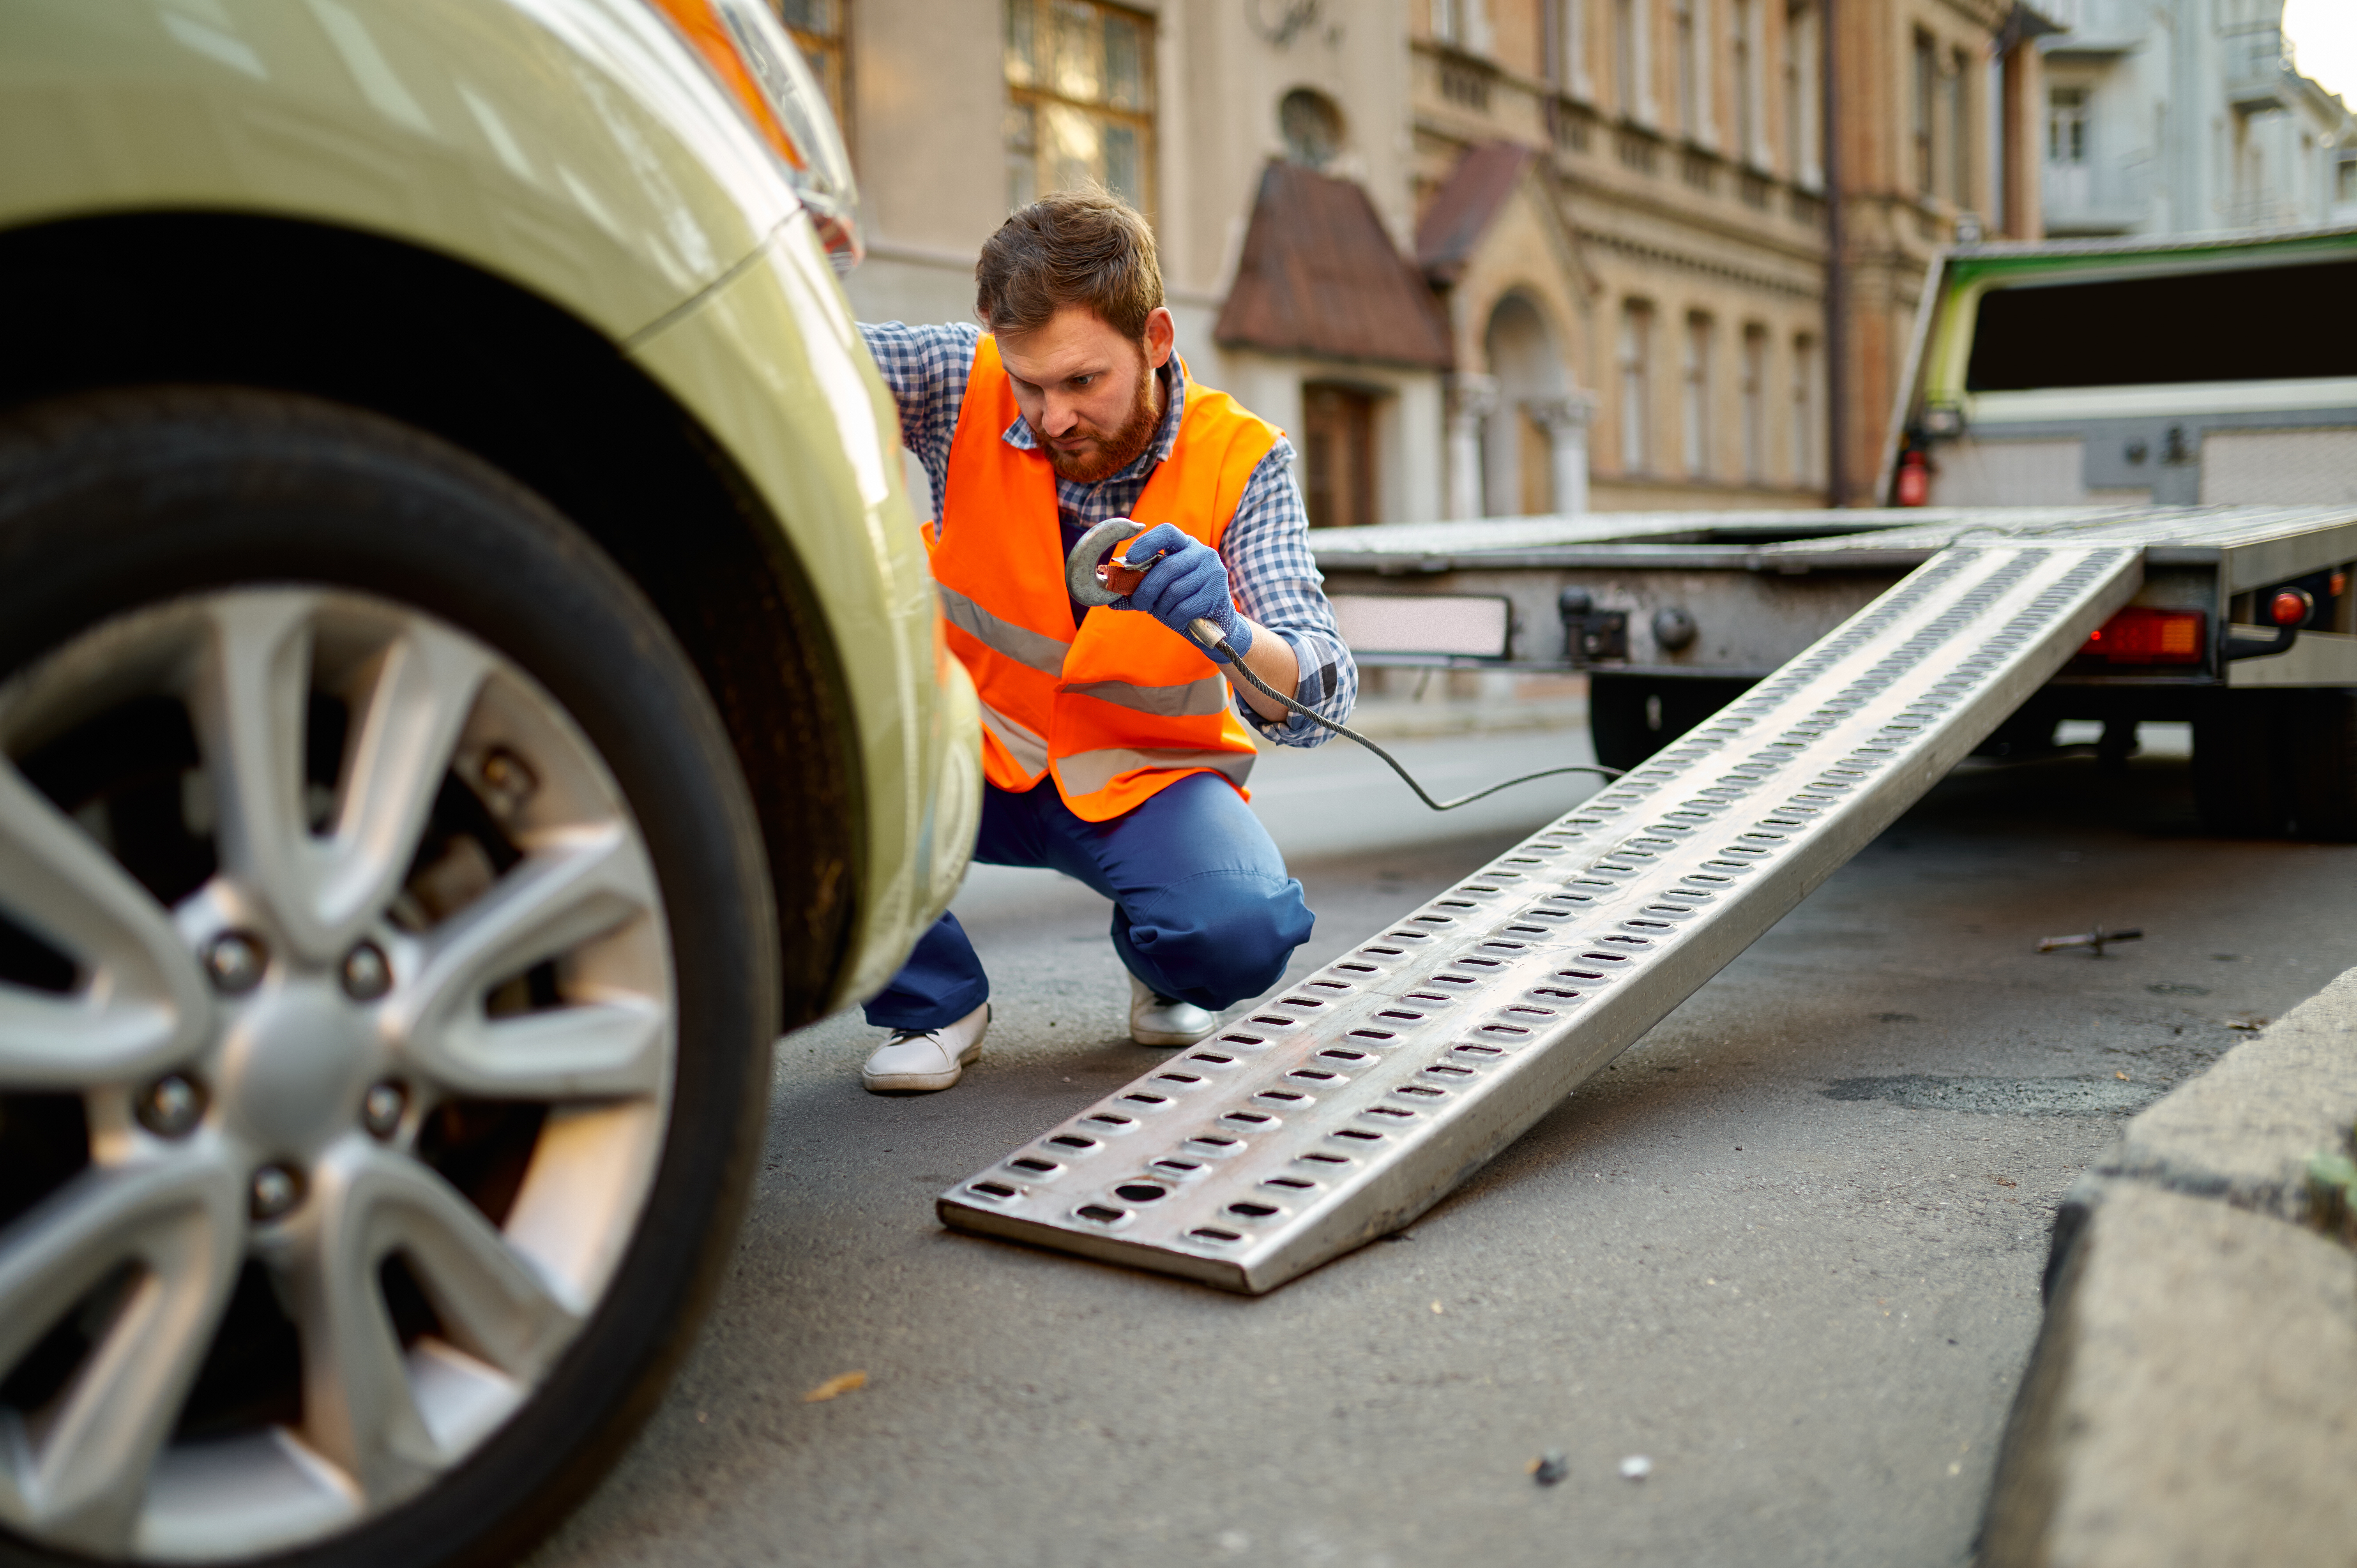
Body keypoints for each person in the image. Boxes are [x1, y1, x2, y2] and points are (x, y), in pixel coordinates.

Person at [854, 188, 1359, 1093]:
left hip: (1144, 781)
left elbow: (1319, 702)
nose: (1053, 417)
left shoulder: (1241, 455)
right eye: (1031, 382)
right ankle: (933, 1003)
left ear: (1157, 340)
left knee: (1240, 934)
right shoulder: (953, 380)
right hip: (971, 759)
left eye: (1083, 381)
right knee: (792, 763)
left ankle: (1161, 959)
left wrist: (1232, 632)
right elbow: (786, 357)